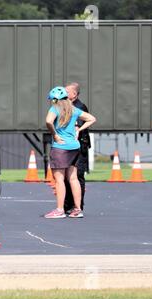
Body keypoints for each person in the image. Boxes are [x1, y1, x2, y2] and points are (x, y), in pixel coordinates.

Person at [44, 86, 96, 219]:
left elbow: (48, 121)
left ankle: (60, 210)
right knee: (73, 178)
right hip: (74, 147)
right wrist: (79, 130)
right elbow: (91, 119)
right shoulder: (74, 109)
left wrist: (54, 134)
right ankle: (77, 209)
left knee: (59, 180)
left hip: (60, 147)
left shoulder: (55, 108)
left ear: (55, 99)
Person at [64, 82, 91, 213]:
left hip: (79, 146)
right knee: (67, 176)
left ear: (74, 94)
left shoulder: (79, 107)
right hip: (69, 146)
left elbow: (77, 127)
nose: (63, 94)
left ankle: (77, 206)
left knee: (77, 175)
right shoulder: (65, 106)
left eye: (66, 91)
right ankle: (67, 205)